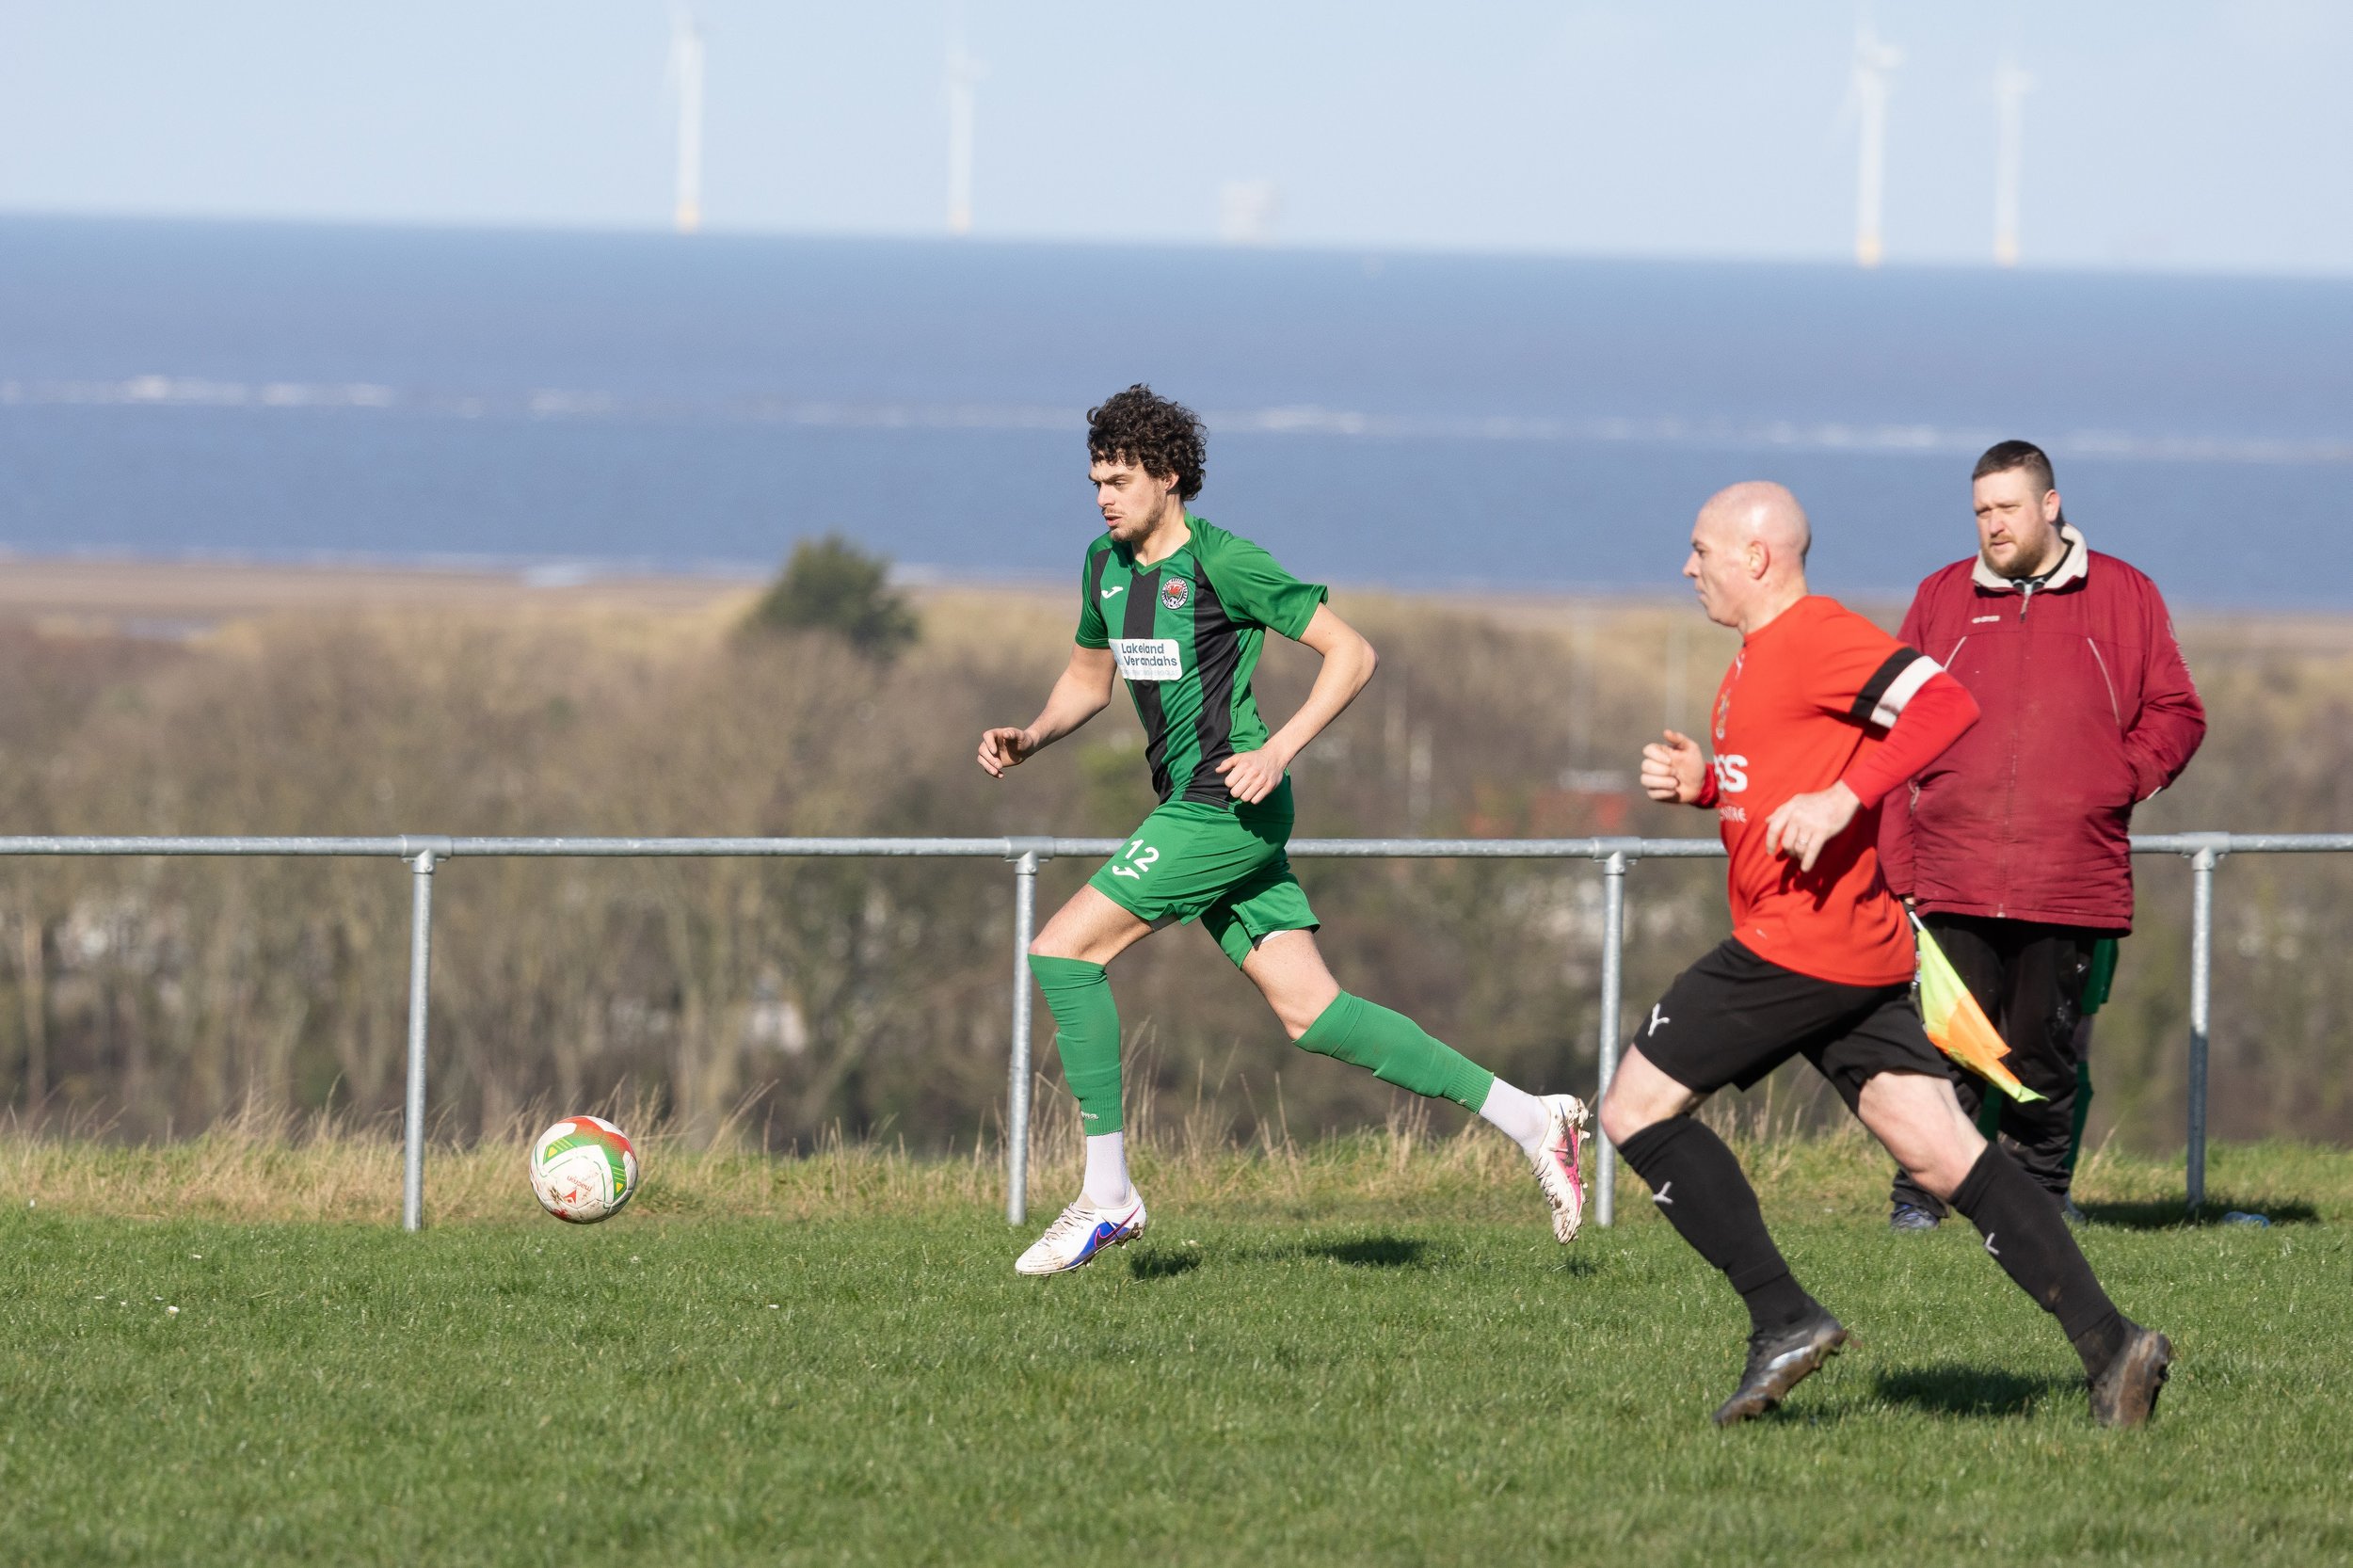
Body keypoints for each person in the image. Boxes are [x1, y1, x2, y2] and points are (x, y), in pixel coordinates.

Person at [978, 384, 1588, 1275]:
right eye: (1094, 480)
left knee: (1063, 954)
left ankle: (1107, 1195)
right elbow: (1088, 680)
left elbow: (1354, 652)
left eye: (1119, 480)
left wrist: (1282, 752)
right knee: (1316, 1015)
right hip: (1193, 805)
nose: (1103, 496)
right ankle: (1537, 1119)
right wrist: (1031, 735)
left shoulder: (1226, 564)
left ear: (1170, 478)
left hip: (1226, 802)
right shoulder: (1103, 569)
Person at [1608, 480, 2170, 1428]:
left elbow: (1945, 702)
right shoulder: (1752, 661)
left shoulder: (1818, 636)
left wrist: (1844, 801)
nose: (1686, 565)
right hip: (1851, 952)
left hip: (1797, 946)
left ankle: (1781, 1316)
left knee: (1633, 1107)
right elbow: (1782, 782)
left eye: (1700, 548)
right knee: (1947, 1152)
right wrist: (1709, 789)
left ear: (1756, 555)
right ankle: (2113, 1347)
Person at [1881, 441, 2205, 1230]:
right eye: (1982, 511)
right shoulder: (1940, 598)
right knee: (1943, 1048)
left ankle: (2040, 1204)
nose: (1992, 525)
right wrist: (1897, 862)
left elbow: (2178, 713)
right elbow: (1888, 731)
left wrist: (2114, 782)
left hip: (2069, 874)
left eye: (2007, 508)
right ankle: (1919, 1201)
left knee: (2044, 1053)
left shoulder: (2126, 594)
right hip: (1950, 871)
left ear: (2050, 505)